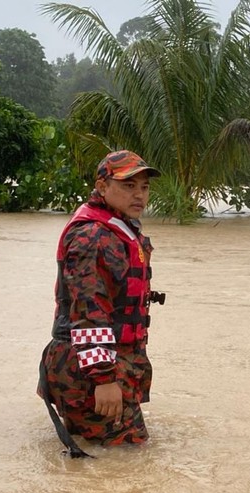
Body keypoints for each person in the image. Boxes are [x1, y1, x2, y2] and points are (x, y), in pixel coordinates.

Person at [37, 150, 162, 456]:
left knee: (110, 458)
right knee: (130, 459)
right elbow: (88, 312)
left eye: (144, 187)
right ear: (102, 187)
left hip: (98, 365)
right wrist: (104, 379)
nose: (139, 195)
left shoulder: (119, 228)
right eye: (128, 186)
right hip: (89, 370)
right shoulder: (93, 237)